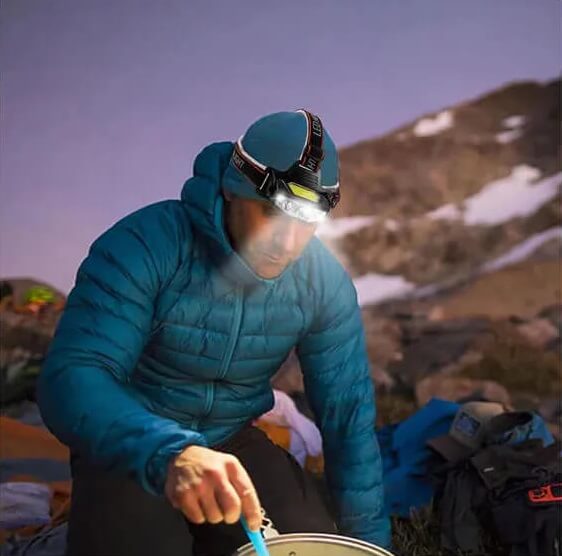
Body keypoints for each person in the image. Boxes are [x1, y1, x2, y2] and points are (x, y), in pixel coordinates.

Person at [37, 109, 391, 555]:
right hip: (137, 442)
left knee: (309, 545)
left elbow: (348, 418)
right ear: (232, 188)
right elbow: (73, 376)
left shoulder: (323, 282)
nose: (287, 244)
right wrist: (170, 454)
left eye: (306, 222)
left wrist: (369, 546)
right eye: (271, 212)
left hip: (231, 439)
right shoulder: (145, 243)